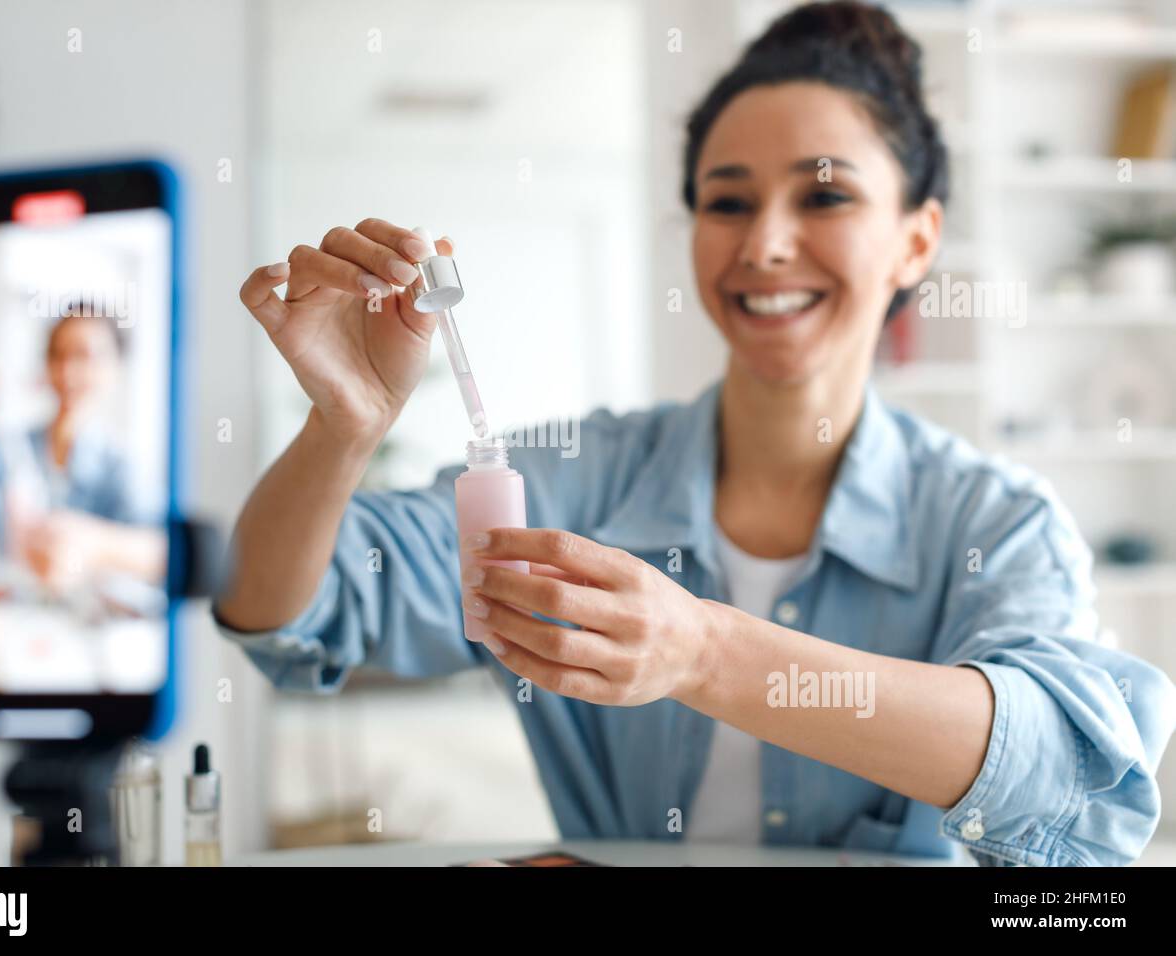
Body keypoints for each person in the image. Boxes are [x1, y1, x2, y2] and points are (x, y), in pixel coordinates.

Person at [215, 1, 1175, 865]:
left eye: (825, 195)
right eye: (727, 200)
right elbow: (283, 610)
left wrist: (706, 652)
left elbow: (1072, 795)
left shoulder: (992, 520)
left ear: (917, 240)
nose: (764, 243)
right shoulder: (572, 479)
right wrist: (343, 427)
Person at [0, 303, 165, 593]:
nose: (68, 371)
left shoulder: (124, 466)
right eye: (57, 355)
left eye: (84, 355)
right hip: (12, 627)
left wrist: (95, 544)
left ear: (115, 367)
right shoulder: (7, 449)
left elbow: (162, 554)